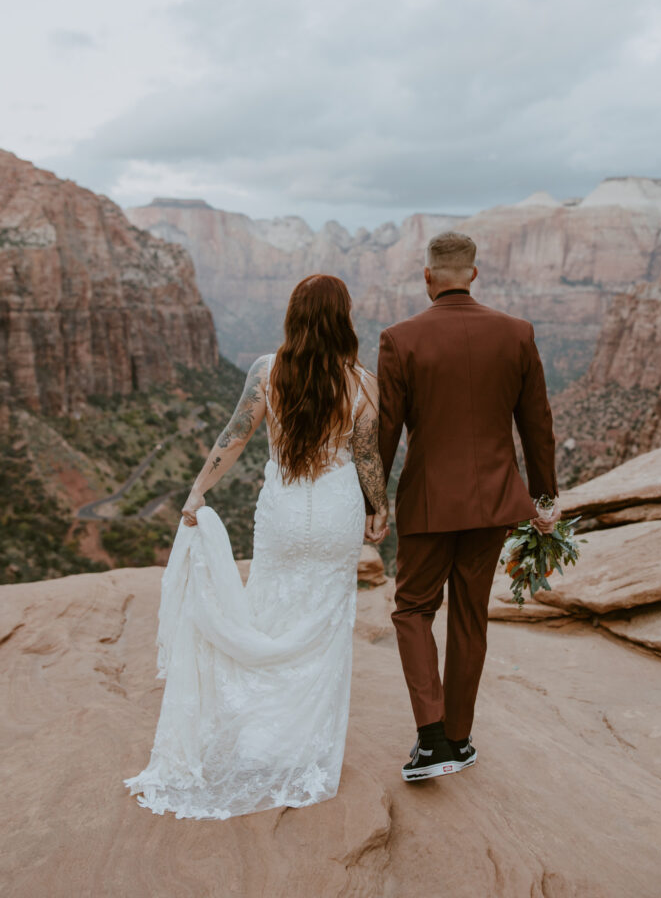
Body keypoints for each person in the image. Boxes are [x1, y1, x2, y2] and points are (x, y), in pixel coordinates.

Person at [124, 274, 388, 818]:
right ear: (344, 319)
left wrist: (198, 492)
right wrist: (379, 507)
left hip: (285, 514)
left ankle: (259, 739)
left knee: (269, 613)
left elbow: (235, 435)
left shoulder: (268, 372)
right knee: (325, 627)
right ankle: (301, 745)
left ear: (295, 316)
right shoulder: (363, 383)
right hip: (338, 513)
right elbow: (367, 457)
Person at [370, 231, 560, 782]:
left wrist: (373, 499)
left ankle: (432, 742)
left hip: (429, 503)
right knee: (471, 615)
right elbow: (537, 426)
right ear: (473, 274)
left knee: (412, 611)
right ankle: (458, 738)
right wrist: (544, 499)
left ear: (427, 276)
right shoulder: (517, 334)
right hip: (498, 503)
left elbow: (386, 431)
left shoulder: (399, 339)